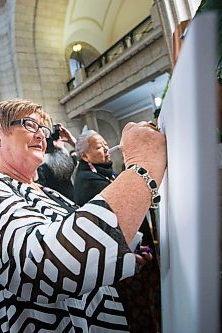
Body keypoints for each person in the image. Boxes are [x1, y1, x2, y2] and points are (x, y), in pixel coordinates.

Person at [0, 98, 166, 332]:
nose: (41, 136)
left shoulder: (51, 194)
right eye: (29, 125)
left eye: (43, 130)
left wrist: (120, 254)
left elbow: (81, 246)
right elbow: (44, 269)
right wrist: (142, 167)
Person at [73, 130, 161, 333]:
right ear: (85, 156)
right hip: (123, 260)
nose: (105, 148)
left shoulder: (104, 172)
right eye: (98, 146)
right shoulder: (88, 181)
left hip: (135, 251)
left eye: (105, 144)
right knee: (140, 310)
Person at [36, 124, 77, 200]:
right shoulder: (40, 170)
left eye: (56, 139)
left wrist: (71, 141)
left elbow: (87, 155)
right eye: (50, 140)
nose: (54, 144)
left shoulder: (68, 160)